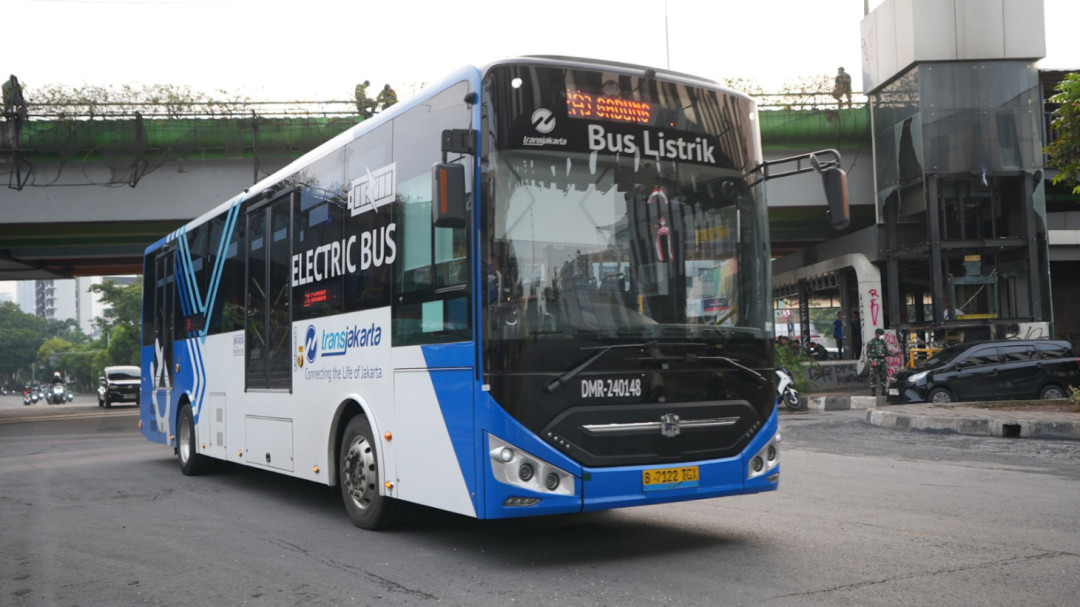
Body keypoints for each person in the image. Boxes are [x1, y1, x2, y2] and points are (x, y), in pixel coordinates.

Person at [866, 328, 889, 396]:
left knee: (884, 376)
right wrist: (872, 361)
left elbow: (886, 352)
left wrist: (892, 354)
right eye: (880, 334)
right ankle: (873, 391)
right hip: (875, 361)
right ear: (877, 334)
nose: (882, 336)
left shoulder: (883, 342)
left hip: (883, 361)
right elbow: (868, 354)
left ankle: (884, 390)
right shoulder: (870, 343)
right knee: (873, 377)